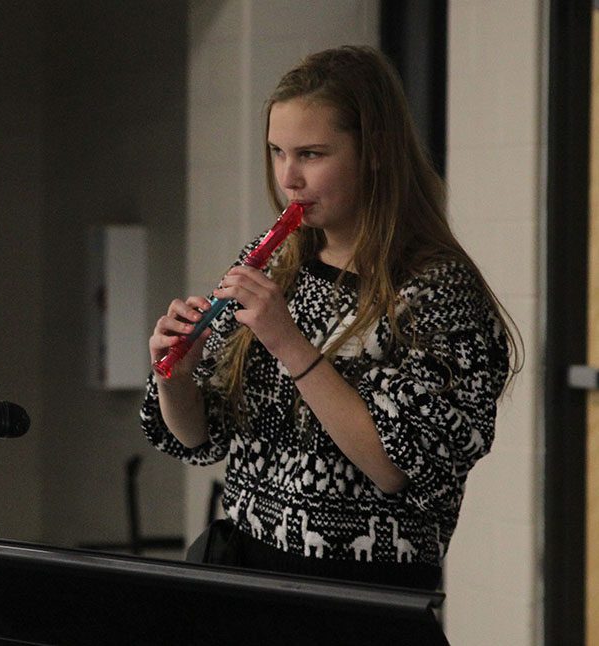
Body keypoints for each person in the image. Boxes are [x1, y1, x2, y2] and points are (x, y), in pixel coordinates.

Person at [140, 45, 520, 591]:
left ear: (374, 152)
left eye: (312, 154)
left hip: (359, 594)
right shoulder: (274, 261)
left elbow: (396, 466)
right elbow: (201, 440)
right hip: (244, 573)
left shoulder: (437, 291)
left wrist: (289, 342)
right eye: (276, 151)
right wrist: (175, 377)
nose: (288, 178)